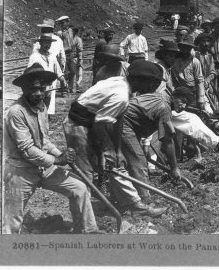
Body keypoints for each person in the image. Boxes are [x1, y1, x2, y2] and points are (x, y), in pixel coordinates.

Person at [3, 63, 100, 234]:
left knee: (79, 188)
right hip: (21, 171)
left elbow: (44, 141)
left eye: (41, 89)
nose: (39, 93)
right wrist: (57, 160)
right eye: (33, 89)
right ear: (24, 90)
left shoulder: (41, 108)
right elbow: (27, 149)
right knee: (12, 221)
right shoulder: (16, 112)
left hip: (43, 167)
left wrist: (60, 154)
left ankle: (87, 231)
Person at [63, 62, 169, 217]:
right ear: (140, 81)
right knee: (86, 172)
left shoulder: (124, 87)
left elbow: (118, 121)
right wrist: (108, 150)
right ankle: (83, 218)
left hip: (91, 123)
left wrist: (118, 150)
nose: (153, 89)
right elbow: (100, 123)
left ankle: (131, 205)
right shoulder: (121, 95)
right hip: (78, 125)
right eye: (152, 84)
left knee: (114, 163)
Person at [121, 60, 182, 201]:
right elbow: (167, 141)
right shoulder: (163, 106)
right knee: (139, 163)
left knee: (131, 161)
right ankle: (144, 201)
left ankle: (128, 197)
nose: (183, 106)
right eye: (182, 101)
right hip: (120, 124)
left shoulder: (158, 98)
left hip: (123, 124)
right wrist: (174, 168)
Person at [28, 25, 64, 115]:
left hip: (49, 90)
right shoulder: (35, 57)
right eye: (45, 42)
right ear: (40, 43)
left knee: (45, 110)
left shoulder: (52, 56)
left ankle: (44, 124)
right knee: (36, 111)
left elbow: (58, 71)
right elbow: (28, 74)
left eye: (49, 43)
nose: (47, 45)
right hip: (38, 90)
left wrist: (63, 81)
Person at [171, 41, 207, 112]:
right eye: (183, 48)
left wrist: (200, 99)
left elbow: (199, 81)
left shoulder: (195, 61)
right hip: (179, 91)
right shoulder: (176, 61)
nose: (185, 50)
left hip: (192, 91)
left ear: (191, 49)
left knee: (197, 110)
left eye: (187, 48)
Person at [194, 33, 218, 114]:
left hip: (208, 84)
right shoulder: (195, 55)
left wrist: (208, 80)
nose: (206, 44)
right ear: (199, 43)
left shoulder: (210, 56)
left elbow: (212, 72)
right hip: (196, 84)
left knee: (215, 100)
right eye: (203, 41)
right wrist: (202, 82)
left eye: (208, 41)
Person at [56, 15, 73, 96]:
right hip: (64, 54)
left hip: (71, 54)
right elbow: (58, 44)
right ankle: (64, 90)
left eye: (65, 22)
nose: (63, 24)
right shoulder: (59, 33)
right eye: (61, 23)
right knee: (64, 72)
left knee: (72, 71)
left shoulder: (70, 31)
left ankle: (69, 88)